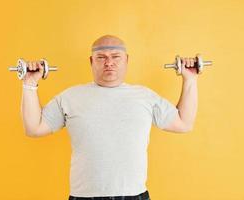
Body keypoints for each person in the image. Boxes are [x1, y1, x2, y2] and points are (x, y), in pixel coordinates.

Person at [21, 35, 198, 200]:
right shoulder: (70, 97)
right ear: (91, 61)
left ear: (126, 60)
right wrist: (29, 83)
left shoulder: (145, 97)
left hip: (134, 195)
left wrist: (190, 79)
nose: (109, 63)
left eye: (115, 56)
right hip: (84, 196)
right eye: (101, 57)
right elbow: (34, 128)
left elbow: (183, 123)